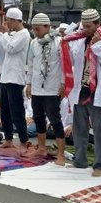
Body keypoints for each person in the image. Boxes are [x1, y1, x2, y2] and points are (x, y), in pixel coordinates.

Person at [63, 9, 101, 175]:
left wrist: (98, 45)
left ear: (97, 24)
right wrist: (67, 43)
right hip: (81, 89)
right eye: (83, 25)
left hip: (98, 90)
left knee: (100, 129)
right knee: (80, 128)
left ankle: (100, 165)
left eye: (88, 26)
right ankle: (80, 161)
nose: (85, 29)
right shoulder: (79, 39)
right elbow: (73, 61)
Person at [26, 13, 66, 165]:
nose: (36, 33)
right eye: (34, 30)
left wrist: (63, 84)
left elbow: (64, 65)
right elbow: (30, 65)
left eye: (38, 29)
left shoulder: (59, 42)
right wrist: (29, 84)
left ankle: (61, 153)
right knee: (38, 117)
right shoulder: (34, 43)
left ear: (47, 27)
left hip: (52, 87)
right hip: (36, 87)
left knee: (55, 119)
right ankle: (41, 147)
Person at [0, 8, 31, 150]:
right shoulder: (14, 34)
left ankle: (24, 140)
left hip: (16, 78)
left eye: (8, 20)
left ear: (14, 20)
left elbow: (10, 48)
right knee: (5, 110)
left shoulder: (24, 34)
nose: (6, 23)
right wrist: (7, 35)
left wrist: (4, 34)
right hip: (5, 77)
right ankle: (8, 138)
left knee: (17, 111)